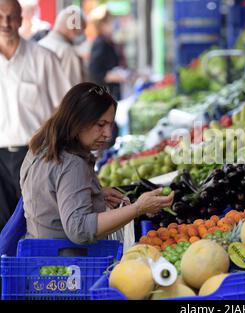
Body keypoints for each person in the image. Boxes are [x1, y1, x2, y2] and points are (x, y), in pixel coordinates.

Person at [20, 82, 175, 245]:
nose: (108, 134)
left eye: (110, 125)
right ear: (77, 121)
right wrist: (138, 208)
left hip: (39, 251)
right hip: (67, 263)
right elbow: (79, 229)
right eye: (101, 125)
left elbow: (49, 197)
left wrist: (92, 194)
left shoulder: (41, 148)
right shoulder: (72, 164)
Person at [0, 0, 71, 232]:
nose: (6, 23)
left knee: (36, 225)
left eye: (11, 17)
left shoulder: (43, 59)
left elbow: (65, 110)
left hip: (35, 155)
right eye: (1, 16)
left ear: (21, 19)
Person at [39, 5, 87, 86]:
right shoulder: (67, 51)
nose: (82, 34)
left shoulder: (40, 44)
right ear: (74, 28)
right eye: (82, 29)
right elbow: (73, 91)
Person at [88, 5, 127, 101]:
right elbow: (94, 72)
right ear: (101, 24)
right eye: (109, 21)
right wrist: (113, 76)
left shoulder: (108, 41)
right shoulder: (100, 43)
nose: (114, 24)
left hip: (113, 93)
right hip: (105, 96)